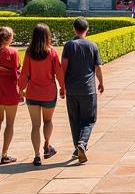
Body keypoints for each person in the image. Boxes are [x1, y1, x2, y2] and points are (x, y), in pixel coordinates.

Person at [19, 22, 66, 166]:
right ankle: (47, 145)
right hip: (48, 93)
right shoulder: (51, 52)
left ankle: (36, 155)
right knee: (48, 121)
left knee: (35, 126)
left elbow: (24, 74)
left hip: (32, 93)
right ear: (47, 36)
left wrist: (21, 89)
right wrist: (63, 88)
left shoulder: (29, 53)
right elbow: (59, 73)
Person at [61, 16, 104, 163]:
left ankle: (77, 147)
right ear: (87, 30)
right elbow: (98, 67)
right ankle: (82, 144)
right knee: (89, 119)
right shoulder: (92, 46)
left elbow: (63, 67)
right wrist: (101, 82)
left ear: (74, 29)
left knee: (75, 119)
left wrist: (62, 86)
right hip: (88, 89)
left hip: (72, 89)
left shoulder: (68, 46)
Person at [0, 25, 21, 165]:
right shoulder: (13, 52)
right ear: (8, 38)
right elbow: (15, 72)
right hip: (11, 88)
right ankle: (4, 154)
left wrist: (0, 69)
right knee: (10, 123)